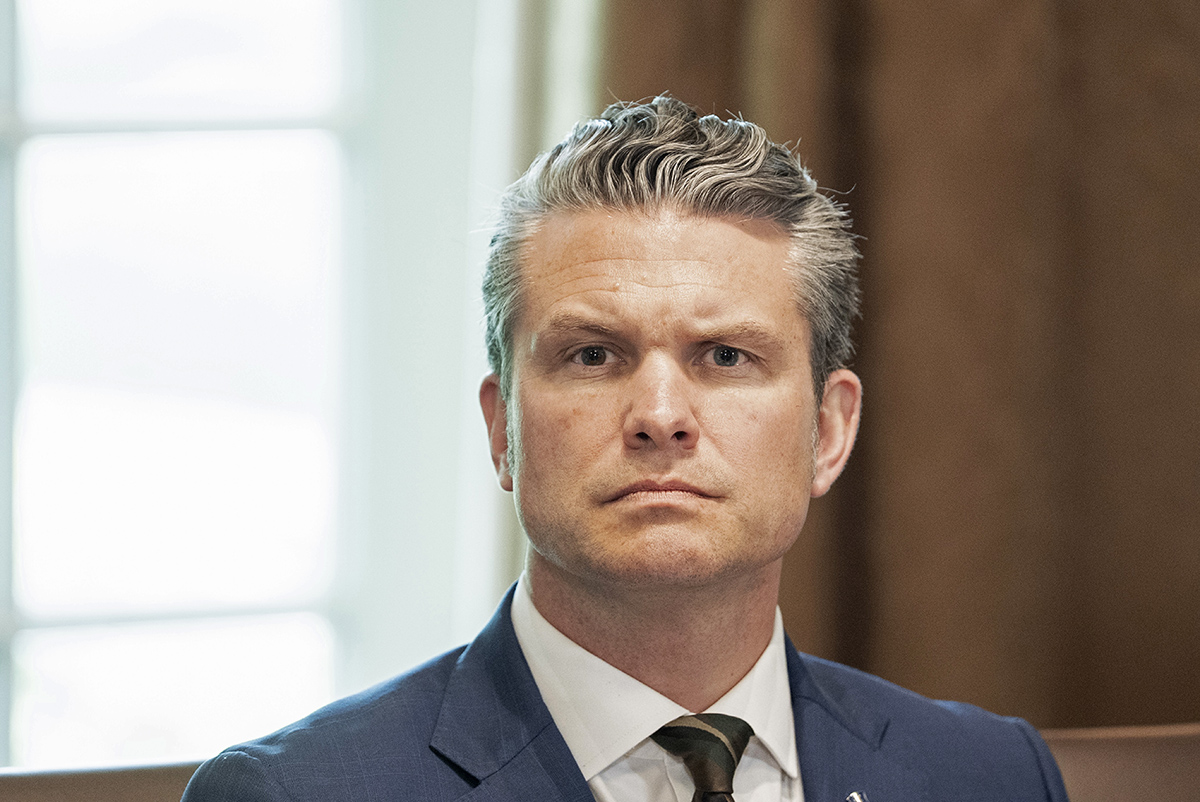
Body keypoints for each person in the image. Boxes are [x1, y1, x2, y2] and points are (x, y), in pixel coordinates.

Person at [181, 97, 1068, 802]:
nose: (660, 416)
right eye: (593, 356)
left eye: (726, 356)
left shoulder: (991, 776)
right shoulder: (299, 794)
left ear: (828, 432)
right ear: (502, 430)